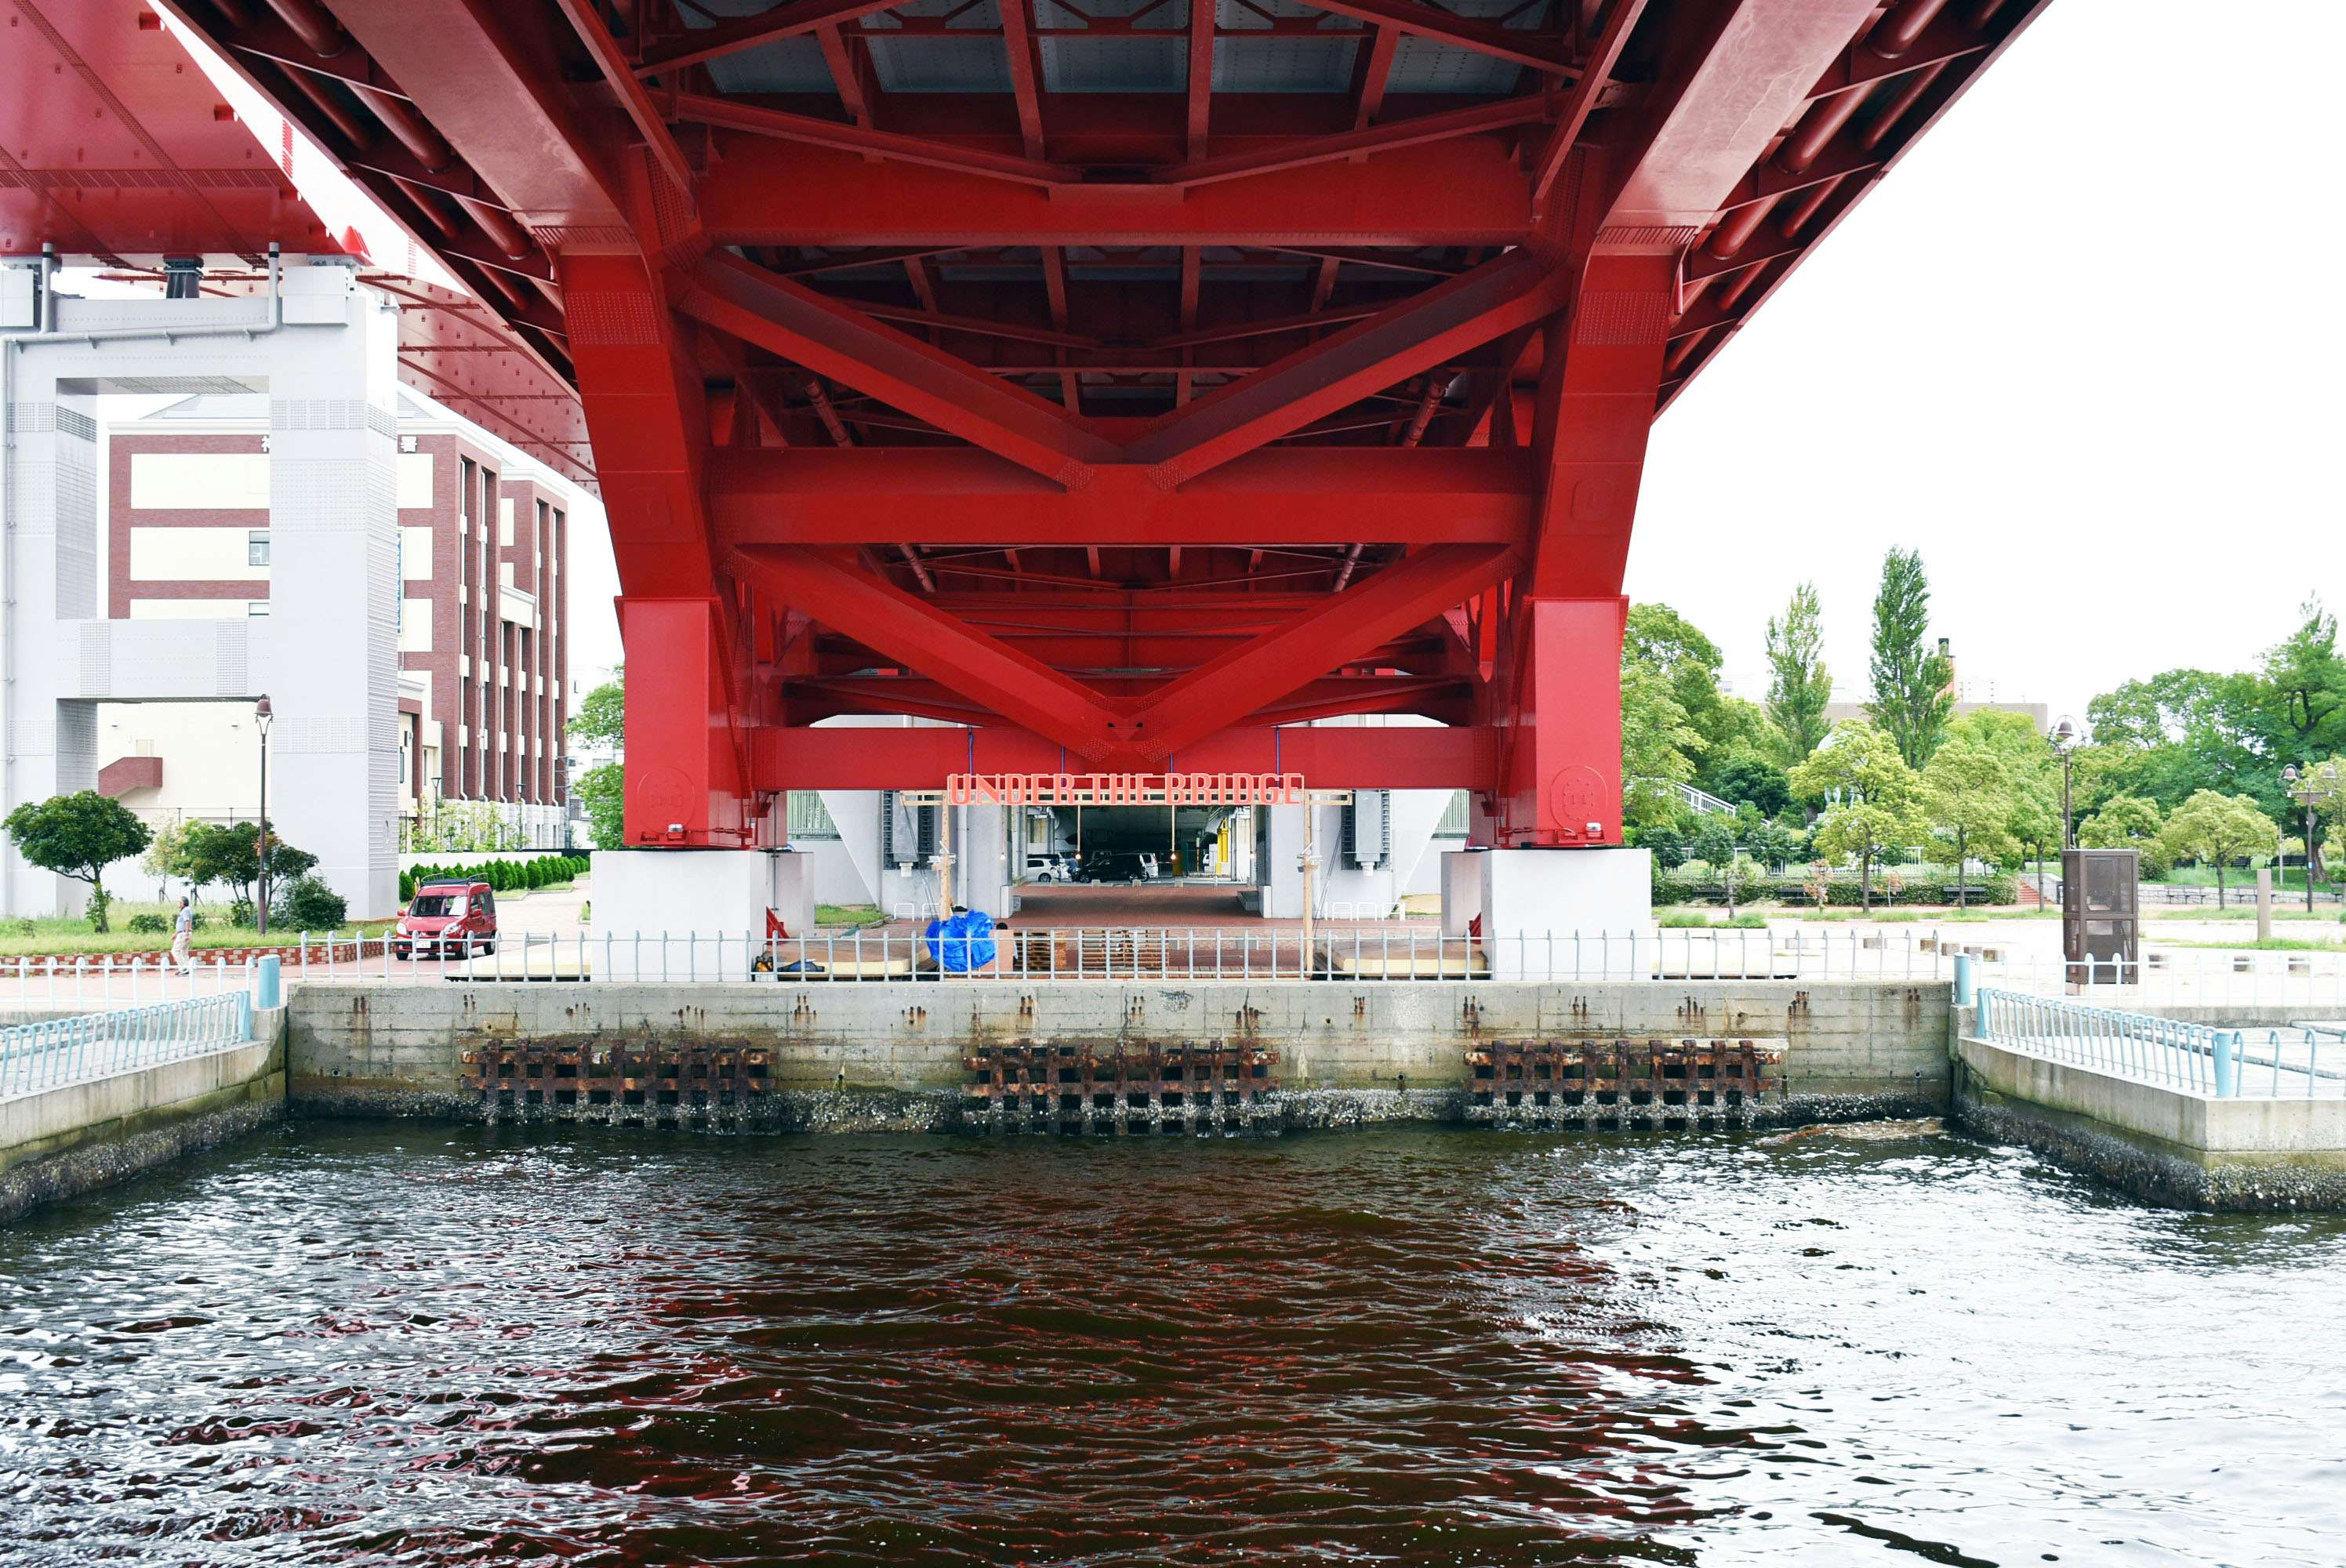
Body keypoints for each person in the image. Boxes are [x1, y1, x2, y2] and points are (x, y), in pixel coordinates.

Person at [172, 895, 194, 975]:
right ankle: (187, 969)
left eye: (179, 902)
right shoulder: (185, 910)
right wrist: (176, 934)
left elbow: (187, 922)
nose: (178, 903)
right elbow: (181, 924)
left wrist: (187, 934)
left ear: (183, 903)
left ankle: (183, 968)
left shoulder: (185, 911)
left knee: (175, 950)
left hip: (184, 933)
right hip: (183, 933)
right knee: (184, 953)